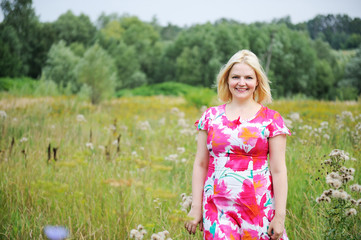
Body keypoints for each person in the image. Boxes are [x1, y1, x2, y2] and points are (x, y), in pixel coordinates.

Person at [184, 49, 291, 240]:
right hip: (217, 207)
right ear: (226, 80)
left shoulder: (271, 120)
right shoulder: (210, 117)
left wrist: (279, 217)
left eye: (248, 77)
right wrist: (196, 207)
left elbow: (279, 170)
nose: (242, 83)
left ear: (257, 81)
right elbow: (201, 163)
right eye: (235, 77)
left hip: (259, 207)